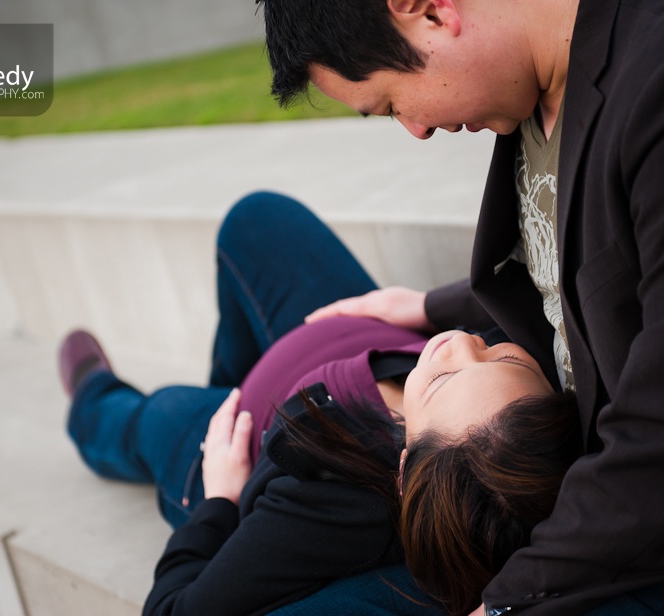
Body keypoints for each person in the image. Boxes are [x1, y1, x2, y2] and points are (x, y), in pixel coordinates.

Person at [257, 0, 664, 614]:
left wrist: (506, 604)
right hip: (537, 489)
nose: (416, 130)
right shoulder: (533, 85)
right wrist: (433, 305)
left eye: (391, 103)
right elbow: (597, 263)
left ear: (428, 10)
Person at [58, 192, 580, 615]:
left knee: (156, 414)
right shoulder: (512, 418)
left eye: (443, 380)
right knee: (257, 219)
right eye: (500, 358)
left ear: (404, 467)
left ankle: (92, 399)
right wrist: (422, 308)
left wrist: (218, 498)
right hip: (344, 340)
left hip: (234, 442)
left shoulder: (332, 509)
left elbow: (174, 610)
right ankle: (227, 377)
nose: (461, 344)